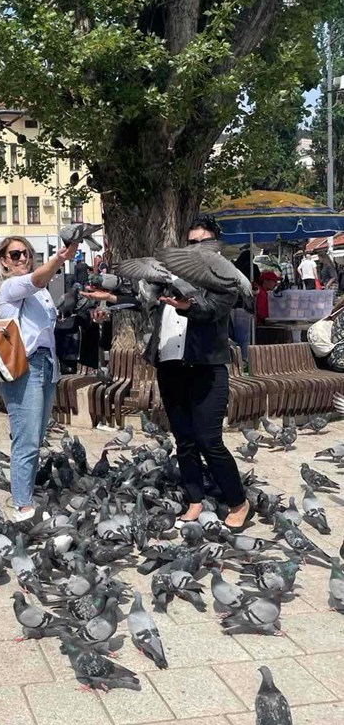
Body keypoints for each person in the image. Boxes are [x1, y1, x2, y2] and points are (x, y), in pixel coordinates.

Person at [143, 214, 249, 530]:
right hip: (170, 367)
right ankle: (194, 500)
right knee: (184, 439)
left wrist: (190, 307)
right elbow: (149, 302)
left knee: (208, 440)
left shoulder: (224, 278)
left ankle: (239, 501)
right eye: (191, 242)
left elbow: (213, 310)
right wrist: (114, 299)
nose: (196, 247)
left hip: (205, 368)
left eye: (202, 241)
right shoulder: (173, 273)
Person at [0, 235, 79, 521]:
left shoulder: (39, 293)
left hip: (46, 364)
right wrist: (61, 258)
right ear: (4, 261)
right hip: (24, 368)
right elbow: (39, 279)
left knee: (36, 437)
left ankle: (25, 493)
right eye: (15, 254)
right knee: (26, 438)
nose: (22, 259)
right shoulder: (10, 286)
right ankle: (21, 504)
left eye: (26, 253)